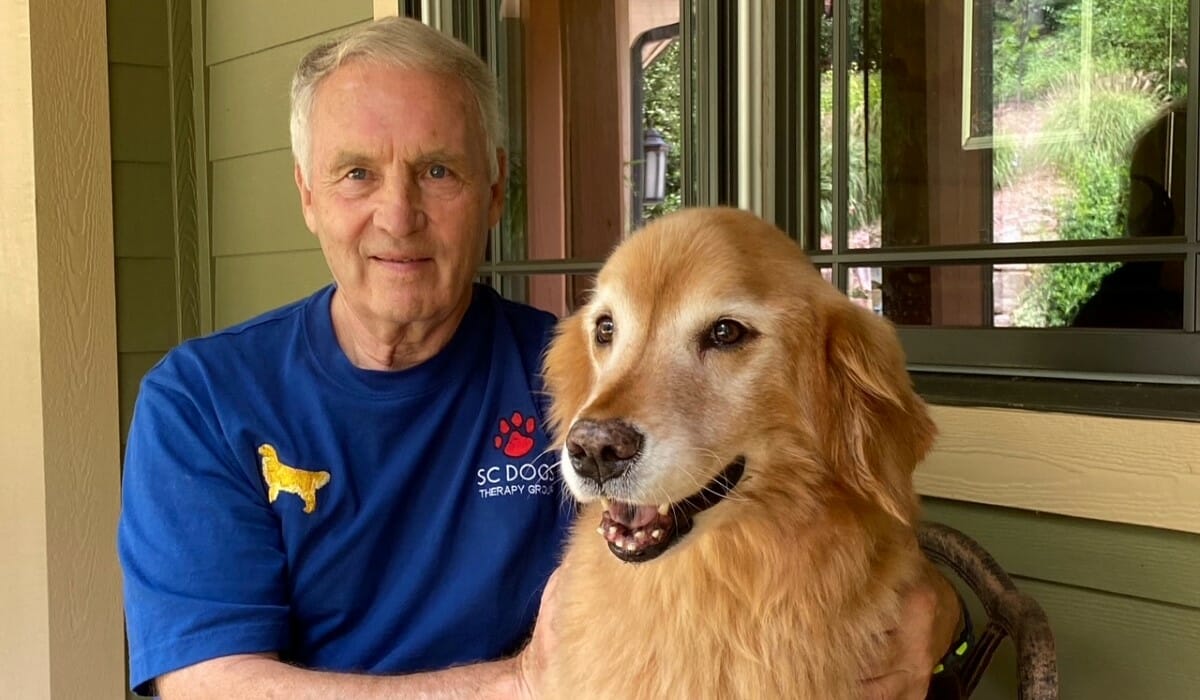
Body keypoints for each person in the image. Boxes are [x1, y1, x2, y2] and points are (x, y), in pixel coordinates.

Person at [117, 16, 956, 699]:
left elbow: (799, 530)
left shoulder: (570, 372)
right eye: (357, 174)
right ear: (307, 194)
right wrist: (516, 683)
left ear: (494, 189)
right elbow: (210, 683)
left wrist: (931, 608)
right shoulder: (203, 398)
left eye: (438, 170)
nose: (399, 215)